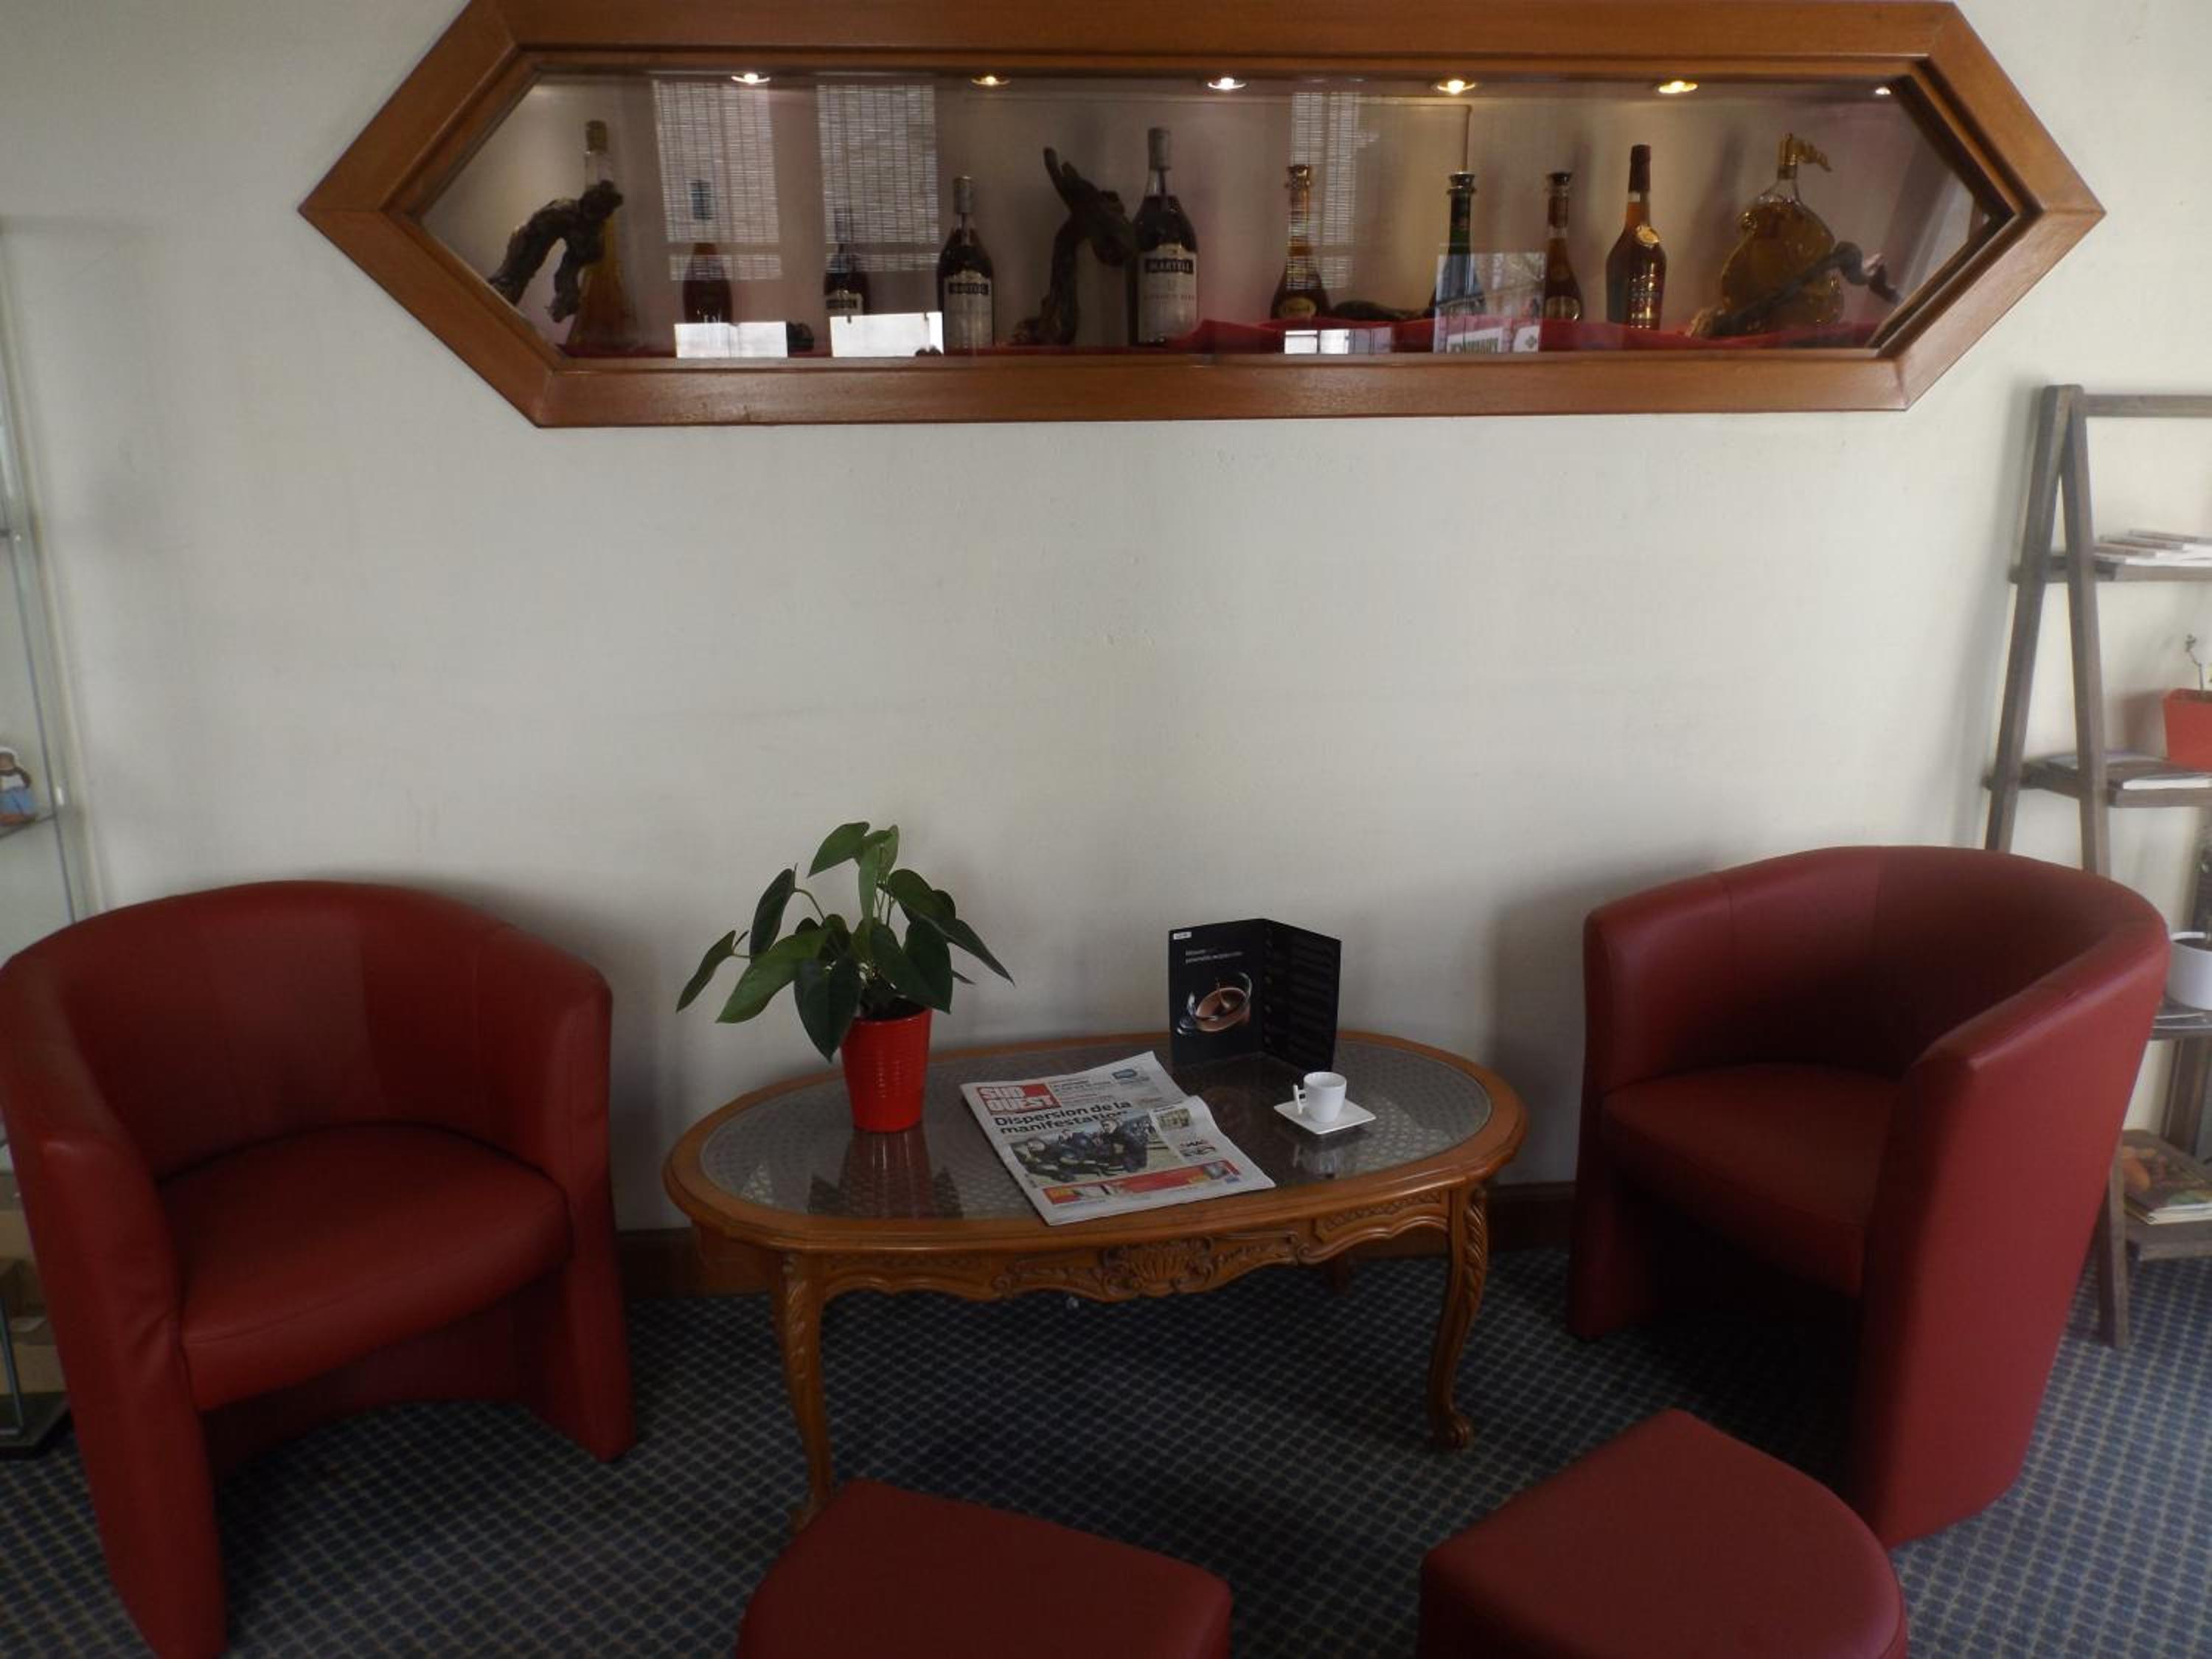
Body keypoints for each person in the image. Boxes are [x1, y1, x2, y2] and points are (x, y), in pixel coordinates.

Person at [0, 748, 33, 826]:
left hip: (20, 791)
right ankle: (12, 817)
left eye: (5, 760)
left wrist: (25, 785)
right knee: (8, 803)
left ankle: (27, 814)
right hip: (5, 793)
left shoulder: (18, 770)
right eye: (1, 760)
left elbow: (27, 779)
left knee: (24, 802)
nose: (3, 762)